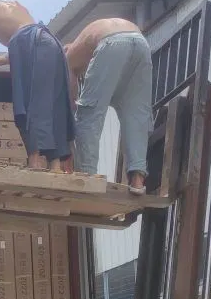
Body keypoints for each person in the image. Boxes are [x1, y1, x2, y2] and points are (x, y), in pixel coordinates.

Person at [0, 0, 75, 172]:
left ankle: (34, 160)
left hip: (28, 40)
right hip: (51, 42)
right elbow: (32, 45)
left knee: (29, 103)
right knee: (53, 104)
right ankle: (55, 164)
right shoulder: (16, 7)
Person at [64, 17, 153, 195]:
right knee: (136, 113)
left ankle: (86, 175)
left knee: (88, 114)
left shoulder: (68, 57)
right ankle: (137, 179)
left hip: (111, 42)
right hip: (141, 43)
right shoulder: (90, 37)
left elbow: (72, 101)